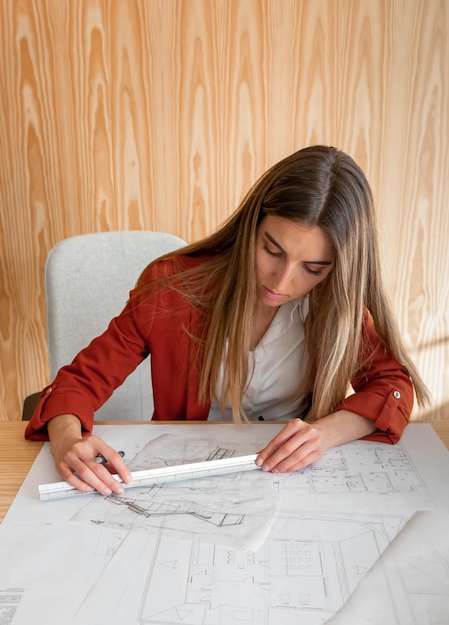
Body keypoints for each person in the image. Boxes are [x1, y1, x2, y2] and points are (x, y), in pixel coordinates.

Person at [25, 145, 430, 497]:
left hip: (289, 482)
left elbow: (392, 385)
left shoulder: (336, 306)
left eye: (313, 268)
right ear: (251, 226)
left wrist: (324, 433)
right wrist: (64, 438)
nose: (283, 281)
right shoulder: (170, 289)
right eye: (272, 250)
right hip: (182, 475)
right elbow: (79, 381)